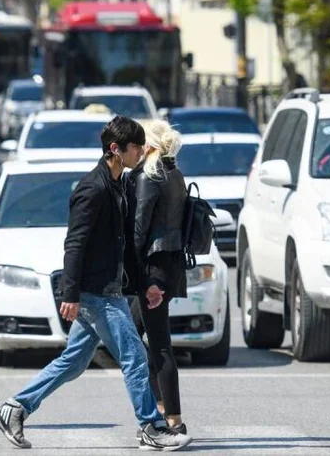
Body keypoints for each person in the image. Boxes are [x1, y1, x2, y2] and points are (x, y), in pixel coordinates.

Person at [0, 117, 192, 452]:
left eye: (143, 146)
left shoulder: (117, 185)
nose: (141, 152)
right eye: (135, 147)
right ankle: (151, 427)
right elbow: (75, 244)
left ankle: (15, 408)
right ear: (116, 149)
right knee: (135, 356)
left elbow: (124, 245)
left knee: (74, 362)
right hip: (96, 293)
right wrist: (70, 293)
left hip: (106, 288)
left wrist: (147, 285)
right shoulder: (93, 188)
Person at [131, 120, 188, 433]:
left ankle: (172, 418)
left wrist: (130, 265)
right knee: (137, 337)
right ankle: (163, 408)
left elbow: (140, 229)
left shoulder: (149, 177)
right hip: (167, 266)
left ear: (149, 147)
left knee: (157, 344)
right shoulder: (174, 173)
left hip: (152, 268)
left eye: (141, 144)